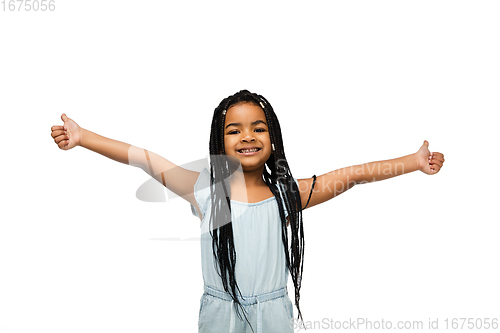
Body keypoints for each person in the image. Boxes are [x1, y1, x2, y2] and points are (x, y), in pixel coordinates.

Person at [50, 89, 445, 333]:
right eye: (234, 130)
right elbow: (143, 159)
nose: (247, 137)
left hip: (273, 316)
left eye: (258, 127)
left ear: (273, 138)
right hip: (220, 314)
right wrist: (84, 138)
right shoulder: (205, 192)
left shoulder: (286, 196)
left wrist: (412, 161)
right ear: (220, 142)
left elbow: (353, 176)